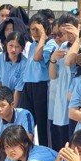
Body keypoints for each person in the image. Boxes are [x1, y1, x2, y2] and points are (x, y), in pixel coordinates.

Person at [20, 13, 57, 147]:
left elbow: (37, 58)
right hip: (28, 85)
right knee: (25, 121)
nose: (34, 33)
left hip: (42, 86)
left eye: (38, 29)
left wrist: (43, 36)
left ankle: (44, 152)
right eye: (32, 30)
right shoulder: (32, 45)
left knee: (42, 123)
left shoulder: (50, 44)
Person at [49, 14, 80, 150]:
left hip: (75, 98)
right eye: (63, 32)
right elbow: (52, 75)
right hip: (61, 99)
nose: (67, 35)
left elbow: (70, 61)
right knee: (61, 138)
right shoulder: (62, 46)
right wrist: (53, 59)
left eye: (69, 31)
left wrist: (78, 38)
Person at [0, 30, 28, 109]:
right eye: (11, 45)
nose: (13, 49)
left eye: (17, 46)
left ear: (22, 48)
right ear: (6, 44)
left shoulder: (25, 63)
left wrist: (12, 110)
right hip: (1, 94)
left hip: (18, 97)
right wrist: (1, 105)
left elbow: (18, 90)